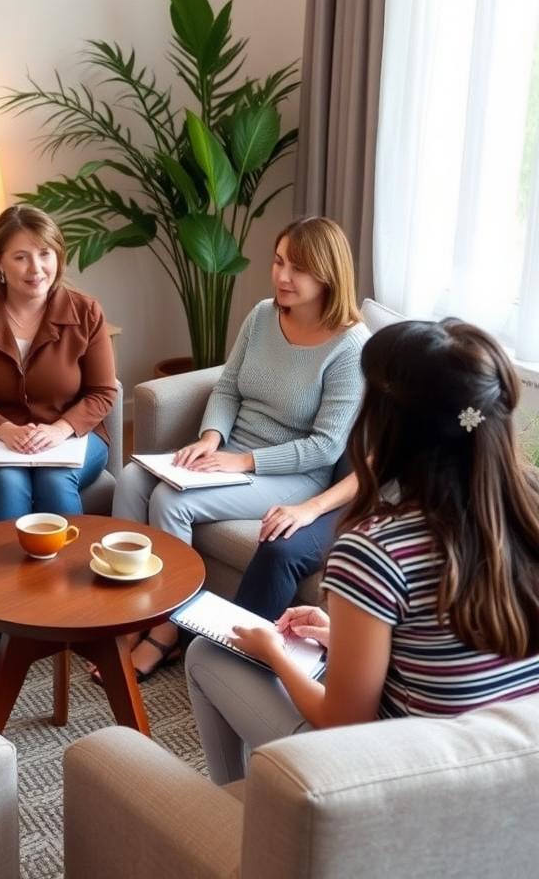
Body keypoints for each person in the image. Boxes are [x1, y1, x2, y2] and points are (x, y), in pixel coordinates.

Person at [187, 318, 539, 785]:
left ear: (386, 422)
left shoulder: (375, 549)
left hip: (398, 780)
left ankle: (236, 810)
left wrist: (275, 653)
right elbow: (453, 650)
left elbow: (342, 723)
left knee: (206, 656)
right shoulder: (524, 511)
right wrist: (341, 636)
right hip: (504, 774)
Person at [112, 217, 368, 679]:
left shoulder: (350, 347)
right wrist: (210, 438)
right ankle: (126, 611)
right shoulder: (263, 315)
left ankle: (167, 629)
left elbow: (327, 448)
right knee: (132, 479)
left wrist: (242, 460)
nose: (282, 277)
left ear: (328, 274)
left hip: (291, 472)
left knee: (172, 499)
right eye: (278, 262)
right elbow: (227, 387)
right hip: (229, 451)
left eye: (298, 269)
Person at [0, 204, 118, 523]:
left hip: (70, 434)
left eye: (45, 253)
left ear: (57, 256)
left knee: (55, 478)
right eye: (20, 257)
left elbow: (103, 392)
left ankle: (68, 572)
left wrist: (60, 430)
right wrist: (5, 430)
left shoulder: (87, 312)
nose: (35, 269)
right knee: (8, 480)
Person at [233, 469, 357, 620]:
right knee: (280, 547)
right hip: (371, 499)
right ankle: (235, 638)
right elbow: (376, 464)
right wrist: (313, 507)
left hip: (391, 518)